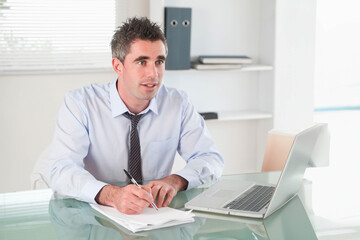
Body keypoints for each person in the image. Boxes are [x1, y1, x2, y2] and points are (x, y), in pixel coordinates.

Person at [49, 17, 224, 215]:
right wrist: (111, 195)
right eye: (142, 62)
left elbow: (210, 158)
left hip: (154, 216)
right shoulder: (80, 104)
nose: (154, 73)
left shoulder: (178, 103)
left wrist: (176, 180)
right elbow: (61, 170)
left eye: (159, 61)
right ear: (118, 66)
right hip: (95, 218)